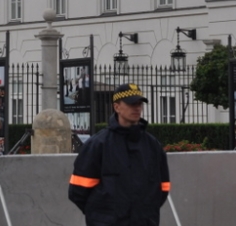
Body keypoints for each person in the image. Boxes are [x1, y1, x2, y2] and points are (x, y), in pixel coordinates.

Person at [68, 83, 170, 226]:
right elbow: (78, 190)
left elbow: (163, 187)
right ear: (116, 107)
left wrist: (145, 213)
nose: (137, 108)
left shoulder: (152, 145)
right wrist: (101, 217)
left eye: (139, 103)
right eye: (131, 103)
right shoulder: (98, 145)